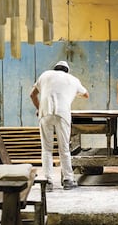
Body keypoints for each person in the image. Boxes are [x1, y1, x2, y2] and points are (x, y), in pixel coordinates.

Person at [30, 61, 89, 191]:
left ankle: (48, 182)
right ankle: (68, 179)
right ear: (67, 70)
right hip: (63, 114)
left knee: (46, 149)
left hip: (45, 113)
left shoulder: (45, 75)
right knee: (64, 149)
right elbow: (86, 95)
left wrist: (39, 108)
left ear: (55, 69)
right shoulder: (72, 79)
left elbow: (32, 94)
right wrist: (72, 92)